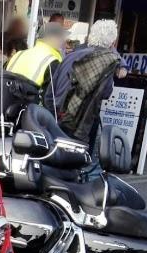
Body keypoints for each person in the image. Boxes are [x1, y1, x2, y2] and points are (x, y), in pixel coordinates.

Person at [47, 19, 121, 179]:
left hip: (56, 114)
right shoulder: (106, 62)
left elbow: (50, 92)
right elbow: (106, 93)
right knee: (82, 166)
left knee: (54, 160)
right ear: (112, 42)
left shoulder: (69, 56)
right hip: (80, 122)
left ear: (91, 36)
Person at [6, 22, 66, 92]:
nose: (63, 40)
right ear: (51, 38)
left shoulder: (18, 54)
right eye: (60, 37)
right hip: (31, 101)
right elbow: (50, 97)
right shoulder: (52, 62)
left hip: (7, 100)